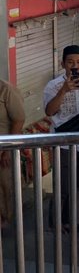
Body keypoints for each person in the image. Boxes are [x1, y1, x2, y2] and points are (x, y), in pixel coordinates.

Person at [44, 45, 79, 233]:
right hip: (61, 142)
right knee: (62, 185)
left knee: (74, 185)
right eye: (70, 62)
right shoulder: (53, 86)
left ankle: (67, 221)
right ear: (63, 64)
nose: (75, 66)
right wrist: (64, 91)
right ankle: (55, 223)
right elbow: (49, 111)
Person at [0, 80, 26, 226]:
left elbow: (19, 120)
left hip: (3, 150)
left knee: (5, 190)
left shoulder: (6, 90)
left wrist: (8, 151)